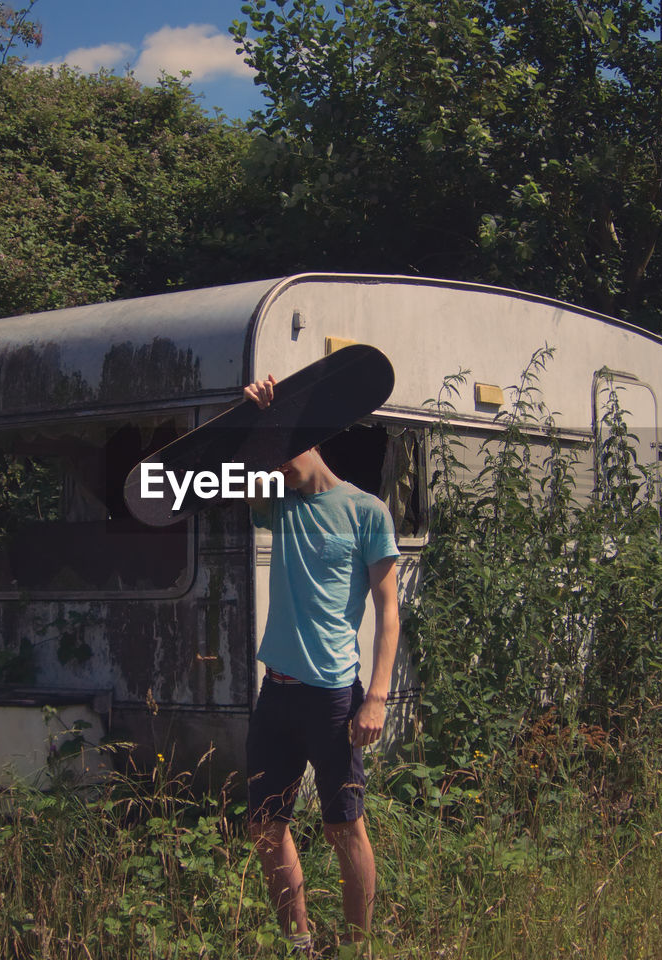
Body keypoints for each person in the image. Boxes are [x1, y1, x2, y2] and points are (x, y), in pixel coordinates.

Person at [242, 373, 400, 956]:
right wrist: (259, 417)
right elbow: (237, 478)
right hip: (276, 693)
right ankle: (299, 944)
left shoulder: (366, 512)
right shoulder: (275, 504)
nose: (274, 472)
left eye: (280, 460)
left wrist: (377, 695)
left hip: (334, 695)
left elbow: (389, 611)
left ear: (307, 444)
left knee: (343, 827)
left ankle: (357, 947)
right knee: (265, 827)